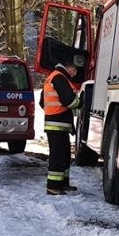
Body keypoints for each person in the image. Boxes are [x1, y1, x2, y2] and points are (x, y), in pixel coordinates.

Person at [42, 62, 82, 195]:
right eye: (74, 71)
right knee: (57, 157)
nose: (74, 75)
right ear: (69, 68)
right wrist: (81, 103)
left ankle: (62, 184)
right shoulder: (60, 78)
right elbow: (69, 101)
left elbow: (42, 102)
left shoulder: (52, 77)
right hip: (58, 125)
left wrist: (52, 111)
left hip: (57, 125)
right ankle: (53, 187)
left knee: (64, 155)